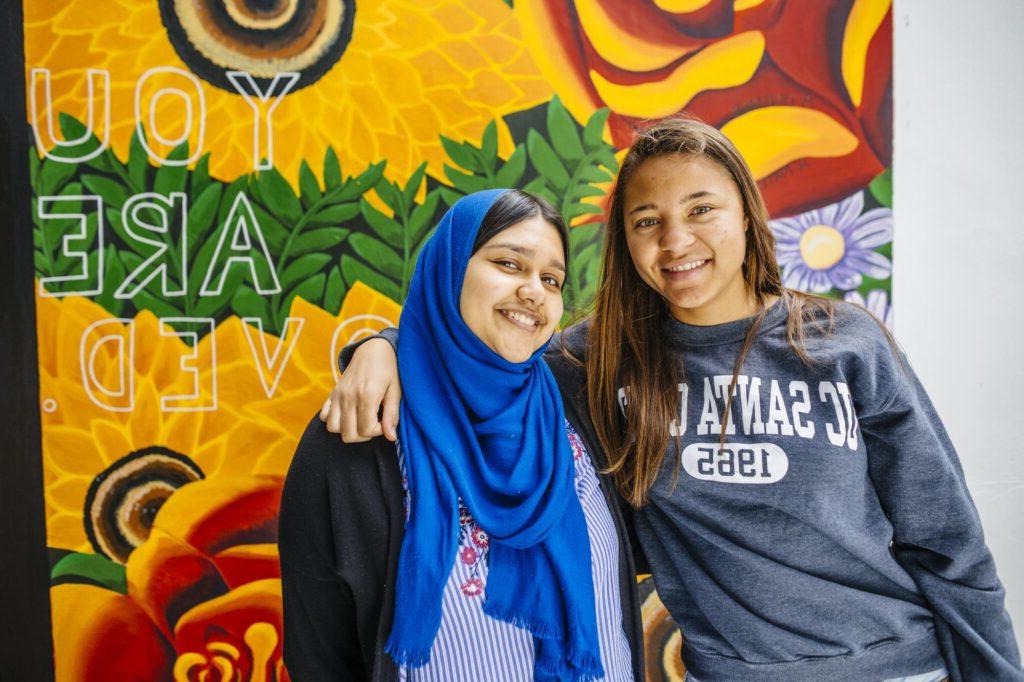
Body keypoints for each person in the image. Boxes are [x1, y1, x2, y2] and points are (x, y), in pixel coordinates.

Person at [321, 118, 1023, 681]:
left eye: (701, 209)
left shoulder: (846, 344)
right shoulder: (598, 359)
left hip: (897, 666)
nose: (676, 240)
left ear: (746, 217)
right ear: (626, 242)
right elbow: (480, 349)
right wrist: (378, 347)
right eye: (647, 220)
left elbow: (948, 542)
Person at [279, 189, 643, 682]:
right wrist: (386, 346)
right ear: (448, 269)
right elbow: (319, 655)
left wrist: (380, 343)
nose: (535, 290)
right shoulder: (358, 439)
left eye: (551, 279)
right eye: (510, 264)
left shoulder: (579, 398)